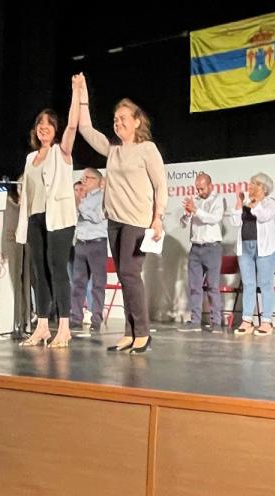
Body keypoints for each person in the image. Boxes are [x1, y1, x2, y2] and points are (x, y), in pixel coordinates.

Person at [74, 73, 166, 354]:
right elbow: (86, 128)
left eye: (123, 117)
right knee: (125, 276)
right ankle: (129, 332)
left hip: (138, 220)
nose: (118, 122)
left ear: (137, 120)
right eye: (115, 118)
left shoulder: (146, 149)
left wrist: (158, 216)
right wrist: (82, 93)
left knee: (129, 272)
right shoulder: (112, 150)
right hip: (114, 221)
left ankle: (143, 332)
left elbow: (161, 183)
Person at [16, 103, 78, 348]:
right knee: (39, 274)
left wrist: (78, 93)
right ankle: (42, 327)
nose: (44, 128)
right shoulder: (31, 158)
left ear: (55, 130)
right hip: (35, 218)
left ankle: (64, 328)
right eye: (40, 124)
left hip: (59, 219)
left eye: (49, 125)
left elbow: (73, 125)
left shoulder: (60, 151)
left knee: (57, 269)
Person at [229, 173, 275, 336]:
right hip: (245, 248)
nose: (249, 187)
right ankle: (247, 320)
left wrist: (254, 204)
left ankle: (266, 321)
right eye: (250, 184)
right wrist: (239, 201)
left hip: (266, 248)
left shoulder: (270, 203)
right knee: (249, 284)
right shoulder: (245, 203)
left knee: (265, 283)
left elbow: (264, 217)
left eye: (253, 184)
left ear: (262, 187)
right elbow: (235, 222)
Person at [178, 173, 225, 332]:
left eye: (202, 188)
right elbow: (183, 224)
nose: (199, 191)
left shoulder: (218, 199)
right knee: (194, 287)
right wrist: (186, 213)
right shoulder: (195, 201)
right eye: (197, 188)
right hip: (196, 248)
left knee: (213, 287)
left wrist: (196, 211)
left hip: (212, 248)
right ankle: (195, 321)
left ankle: (217, 322)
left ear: (210, 185)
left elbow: (214, 219)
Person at [70, 168, 107, 334]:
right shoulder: (79, 197)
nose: (83, 181)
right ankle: (75, 318)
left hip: (97, 243)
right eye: (82, 178)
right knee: (78, 283)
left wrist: (80, 205)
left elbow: (98, 216)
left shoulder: (103, 196)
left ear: (98, 181)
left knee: (97, 284)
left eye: (88, 178)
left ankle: (96, 319)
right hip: (80, 243)